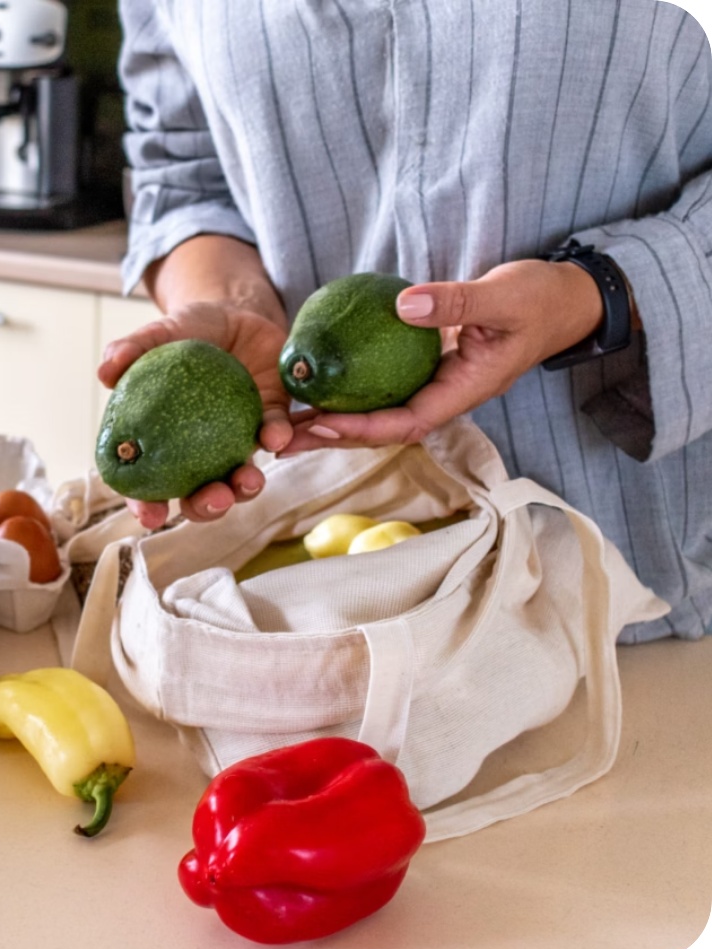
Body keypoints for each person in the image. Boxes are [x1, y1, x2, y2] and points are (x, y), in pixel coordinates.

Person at [102, 0, 712, 643]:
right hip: (320, 607)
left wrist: (595, 294)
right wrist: (237, 307)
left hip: (638, 591)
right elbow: (185, 179)